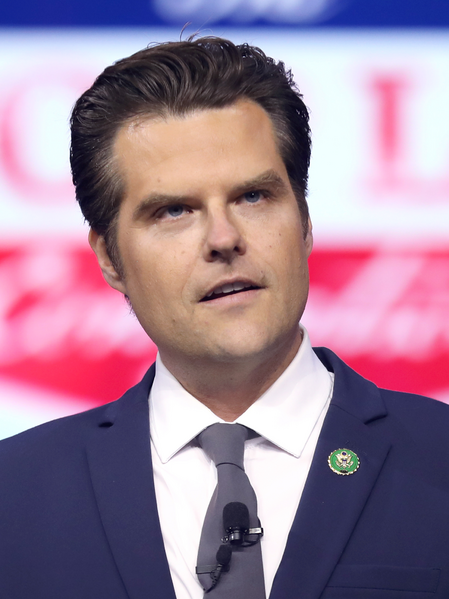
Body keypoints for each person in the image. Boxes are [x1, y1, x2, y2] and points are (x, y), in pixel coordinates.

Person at [1, 36, 449, 599]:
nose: (223, 238)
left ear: (305, 221)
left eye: (253, 197)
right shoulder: (13, 494)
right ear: (110, 258)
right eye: (174, 210)